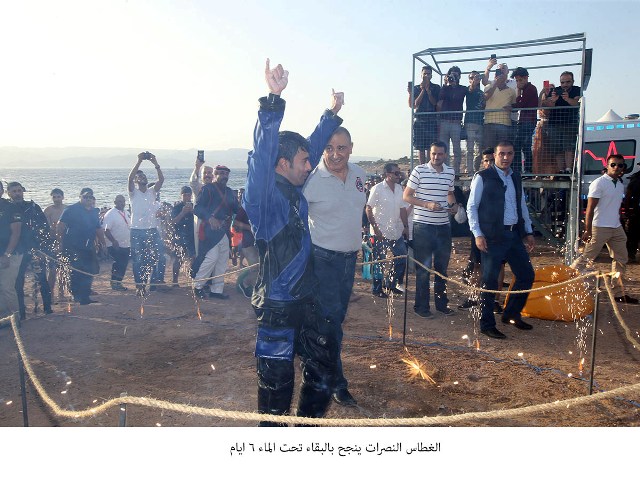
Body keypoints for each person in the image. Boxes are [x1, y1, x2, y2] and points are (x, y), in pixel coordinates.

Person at [244, 59, 344, 424]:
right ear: (281, 163)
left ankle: (305, 430)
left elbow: (310, 148)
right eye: (303, 162)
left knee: (323, 369)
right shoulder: (265, 199)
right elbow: (262, 157)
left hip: (308, 299)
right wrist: (272, 100)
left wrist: (330, 115)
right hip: (278, 306)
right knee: (275, 388)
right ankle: (271, 442)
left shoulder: (294, 186)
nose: (310, 165)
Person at [304, 125, 366, 407]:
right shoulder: (311, 180)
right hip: (322, 261)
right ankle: (335, 383)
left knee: (333, 323)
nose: (335, 154)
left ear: (351, 147)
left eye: (341, 147)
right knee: (330, 326)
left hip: (349, 261)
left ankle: (316, 363)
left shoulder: (360, 176)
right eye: (329, 148)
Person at [467, 140, 536, 339]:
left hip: (514, 235)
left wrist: (528, 231)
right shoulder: (482, 177)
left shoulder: (516, 177)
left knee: (526, 275)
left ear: (514, 155)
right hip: (492, 237)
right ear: (495, 156)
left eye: (509, 153)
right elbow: (472, 207)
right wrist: (478, 234)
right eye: (501, 154)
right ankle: (487, 324)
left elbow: (521, 205)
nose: (505, 157)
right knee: (489, 281)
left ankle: (511, 314)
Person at [571, 154, 638, 303]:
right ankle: (567, 285)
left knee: (621, 259)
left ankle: (619, 294)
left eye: (620, 165)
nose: (616, 168)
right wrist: (587, 229)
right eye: (613, 164)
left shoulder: (619, 184)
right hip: (599, 227)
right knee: (586, 258)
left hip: (616, 227)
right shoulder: (599, 183)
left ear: (623, 168)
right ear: (607, 166)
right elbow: (589, 209)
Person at [403, 141, 459, 318]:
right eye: (434, 153)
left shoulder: (450, 172)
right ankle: (421, 307)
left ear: (445, 155)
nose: (436, 157)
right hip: (423, 227)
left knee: (442, 269)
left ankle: (442, 305)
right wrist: (426, 204)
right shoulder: (419, 170)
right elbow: (407, 196)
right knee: (423, 269)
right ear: (430, 153)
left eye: (440, 154)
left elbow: (450, 193)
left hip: (443, 226)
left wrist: (454, 205)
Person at [458, 148, 505, 313]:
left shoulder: (505, 178)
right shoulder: (479, 178)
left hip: (500, 231)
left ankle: (495, 301)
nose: (489, 163)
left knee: (499, 266)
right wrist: (476, 231)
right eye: (486, 160)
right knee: (477, 264)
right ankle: (472, 297)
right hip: (479, 230)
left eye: (491, 160)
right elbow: (471, 206)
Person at [192, 165, 239, 299]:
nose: (224, 176)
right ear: (216, 175)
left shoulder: (230, 192)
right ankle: (197, 286)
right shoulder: (207, 189)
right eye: (221, 173)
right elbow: (197, 208)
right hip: (210, 230)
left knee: (222, 260)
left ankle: (216, 290)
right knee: (211, 258)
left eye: (226, 174)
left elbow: (236, 209)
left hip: (223, 230)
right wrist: (210, 218)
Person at [7, 181, 53, 318]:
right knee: (18, 283)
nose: (17, 194)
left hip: (35, 250)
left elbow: (44, 228)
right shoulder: (7, 209)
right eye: (14, 191)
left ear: (23, 191)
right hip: (17, 252)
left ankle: (48, 308)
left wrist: (43, 249)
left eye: (19, 190)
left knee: (42, 280)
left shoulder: (33, 207)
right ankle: (21, 313)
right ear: (8, 193)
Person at [365, 163, 409, 298]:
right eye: (396, 173)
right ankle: (377, 289)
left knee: (401, 259)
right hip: (380, 231)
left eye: (399, 172)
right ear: (388, 175)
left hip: (396, 230)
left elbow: (402, 209)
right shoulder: (377, 189)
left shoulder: (399, 189)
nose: (399, 175)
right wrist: (376, 229)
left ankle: (390, 284)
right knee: (380, 261)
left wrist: (406, 227)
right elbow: (368, 208)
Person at [57, 188, 106, 305]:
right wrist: (60, 243)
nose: (88, 199)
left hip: (88, 246)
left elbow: (98, 229)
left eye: (90, 197)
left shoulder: (94, 211)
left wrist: (103, 243)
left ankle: (85, 295)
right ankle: (77, 295)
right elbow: (60, 225)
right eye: (85, 197)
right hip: (73, 246)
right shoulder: (71, 209)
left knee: (90, 270)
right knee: (76, 271)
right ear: (80, 197)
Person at [128, 152, 164, 296]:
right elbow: (129, 178)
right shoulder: (133, 193)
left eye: (144, 176)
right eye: (139, 176)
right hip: (136, 230)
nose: (142, 178)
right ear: (136, 180)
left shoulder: (152, 192)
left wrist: (155, 162)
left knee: (158, 257)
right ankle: (140, 286)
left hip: (152, 230)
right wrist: (139, 162)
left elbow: (161, 179)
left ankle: (154, 283)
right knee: (138, 260)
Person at [541, 71, 581, 173]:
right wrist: (553, 100)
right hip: (554, 123)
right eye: (562, 82)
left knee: (568, 147)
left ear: (573, 81)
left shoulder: (577, 90)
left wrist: (567, 99)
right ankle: (561, 170)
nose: (565, 85)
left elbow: (577, 103)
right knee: (556, 148)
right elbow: (547, 106)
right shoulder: (555, 90)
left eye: (568, 82)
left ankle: (568, 170)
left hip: (570, 122)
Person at [437, 66, 467, 174]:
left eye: (456, 74)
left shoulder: (463, 88)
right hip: (444, 122)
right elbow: (440, 98)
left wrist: (454, 85)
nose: (453, 77)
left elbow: (459, 98)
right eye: (452, 74)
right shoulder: (444, 88)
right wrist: (446, 85)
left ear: (459, 76)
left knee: (457, 149)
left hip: (456, 122)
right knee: (444, 149)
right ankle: (445, 171)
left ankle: (456, 172)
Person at [0, 181, 23, 319]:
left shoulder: (10, 207)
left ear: (2, 191)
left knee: (7, 287)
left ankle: (15, 319)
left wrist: (7, 255)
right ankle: (4, 318)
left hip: (11, 253)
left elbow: (16, 233)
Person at [409, 65, 441, 165]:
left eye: (428, 74)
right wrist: (423, 90)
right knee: (420, 147)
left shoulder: (436, 87)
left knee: (430, 147)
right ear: (421, 75)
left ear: (431, 75)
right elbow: (414, 105)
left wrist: (428, 90)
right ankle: (422, 167)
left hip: (431, 120)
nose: (426, 76)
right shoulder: (416, 88)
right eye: (425, 74)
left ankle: (429, 165)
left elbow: (435, 103)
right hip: (419, 120)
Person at [511, 67, 538, 173]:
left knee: (522, 146)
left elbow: (521, 105)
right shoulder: (527, 89)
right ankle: (523, 169)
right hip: (525, 121)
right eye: (517, 81)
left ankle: (525, 169)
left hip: (528, 121)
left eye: (520, 80)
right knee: (522, 146)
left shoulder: (530, 89)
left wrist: (517, 95)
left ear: (526, 78)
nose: (518, 83)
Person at [102, 194, 131, 291]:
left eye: (123, 201)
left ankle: (119, 282)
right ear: (114, 202)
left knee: (123, 264)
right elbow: (106, 230)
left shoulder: (126, 212)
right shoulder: (110, 214)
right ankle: (115, 283)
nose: (121, 203)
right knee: (118, 263)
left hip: (126, 244)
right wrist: (113, 241)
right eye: (119, 201)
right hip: (115, 244)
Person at [483, 65, 516, 151]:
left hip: (505, 125)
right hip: (489, 123)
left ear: (507, 72)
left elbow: (515, 107)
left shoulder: (512, 91)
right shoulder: (489, 86)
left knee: (503, 150)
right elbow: (485, 98)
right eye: (498, 70)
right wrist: (495, 84)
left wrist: (511, 107)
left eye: (503, 69)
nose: (500, 71)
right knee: (489, 151)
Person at [170, 186, 196, 286]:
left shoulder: (194, 206)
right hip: (179, 236)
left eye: (189, 195)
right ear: (181, 196)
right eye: (184, 195)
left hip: (192, 236)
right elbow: (173, 222)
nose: (187, 197)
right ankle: (175, 281)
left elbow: (200, 219)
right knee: (178, 259)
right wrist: (183, 212)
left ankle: (192, 280)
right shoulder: (177, 207)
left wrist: (193, 212)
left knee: (193, 258)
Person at [232, 204, 258, 299]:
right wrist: (250, 228)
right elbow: (235, 222)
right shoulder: (246, 206)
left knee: (261, 267)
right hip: (248, 242)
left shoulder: (265, 203)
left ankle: (255, 288)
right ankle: (244, 284)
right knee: (256, 267)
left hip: (261, 242)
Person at [43, 188, 66, 297]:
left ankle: (62, 293)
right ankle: (50, 293)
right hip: (52, 242)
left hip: (66, 242)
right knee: (52, 270)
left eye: (58, 197)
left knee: (64, 269)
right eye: (54, 197)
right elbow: (46, 228)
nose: (56, 199)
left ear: (63, 197)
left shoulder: (67, 209)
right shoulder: (48, 210)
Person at [464, 70, 485, 173]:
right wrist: (474, 82)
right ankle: (469, 171)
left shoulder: (482, 92)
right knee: (470, 150)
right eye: (471, 78)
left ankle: (475, 170)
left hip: (480, 122)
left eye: (476, 77)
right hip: (470, 123)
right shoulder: (468, 90)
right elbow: (471, 89)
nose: (474, 79)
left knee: (480, 151)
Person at [624, 166, 640, 263]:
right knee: (633, 233)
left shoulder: (635, 178)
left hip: (636, 210)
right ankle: (631, 254)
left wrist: (627, 209)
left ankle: (631, 254)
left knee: (633, 234)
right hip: (636, 210)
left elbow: (628, 195)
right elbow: (628, 195)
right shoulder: (636, 178)